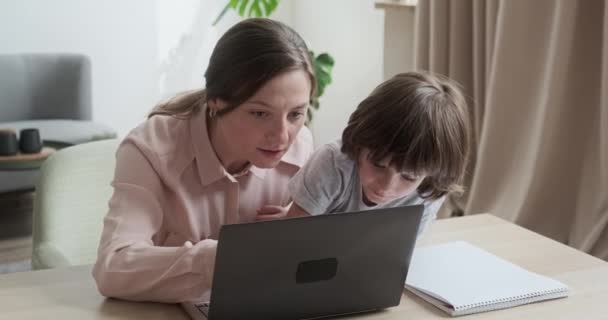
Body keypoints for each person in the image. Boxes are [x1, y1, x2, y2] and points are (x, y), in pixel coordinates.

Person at [92, 18, 316, 303]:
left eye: (296, 114)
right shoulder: (150, 149)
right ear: (216, 101)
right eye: (260, 113)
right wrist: (222, 259)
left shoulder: (303, 146)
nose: (283, 136)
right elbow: (113, 268)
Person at [257, 72, 470, 234]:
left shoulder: (430, 187)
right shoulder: (332, 164)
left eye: (409, 177)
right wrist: (298, 215)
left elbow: (398, 253)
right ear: (359, 143)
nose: (386, 187)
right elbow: (294, 241)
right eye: (378, 164)